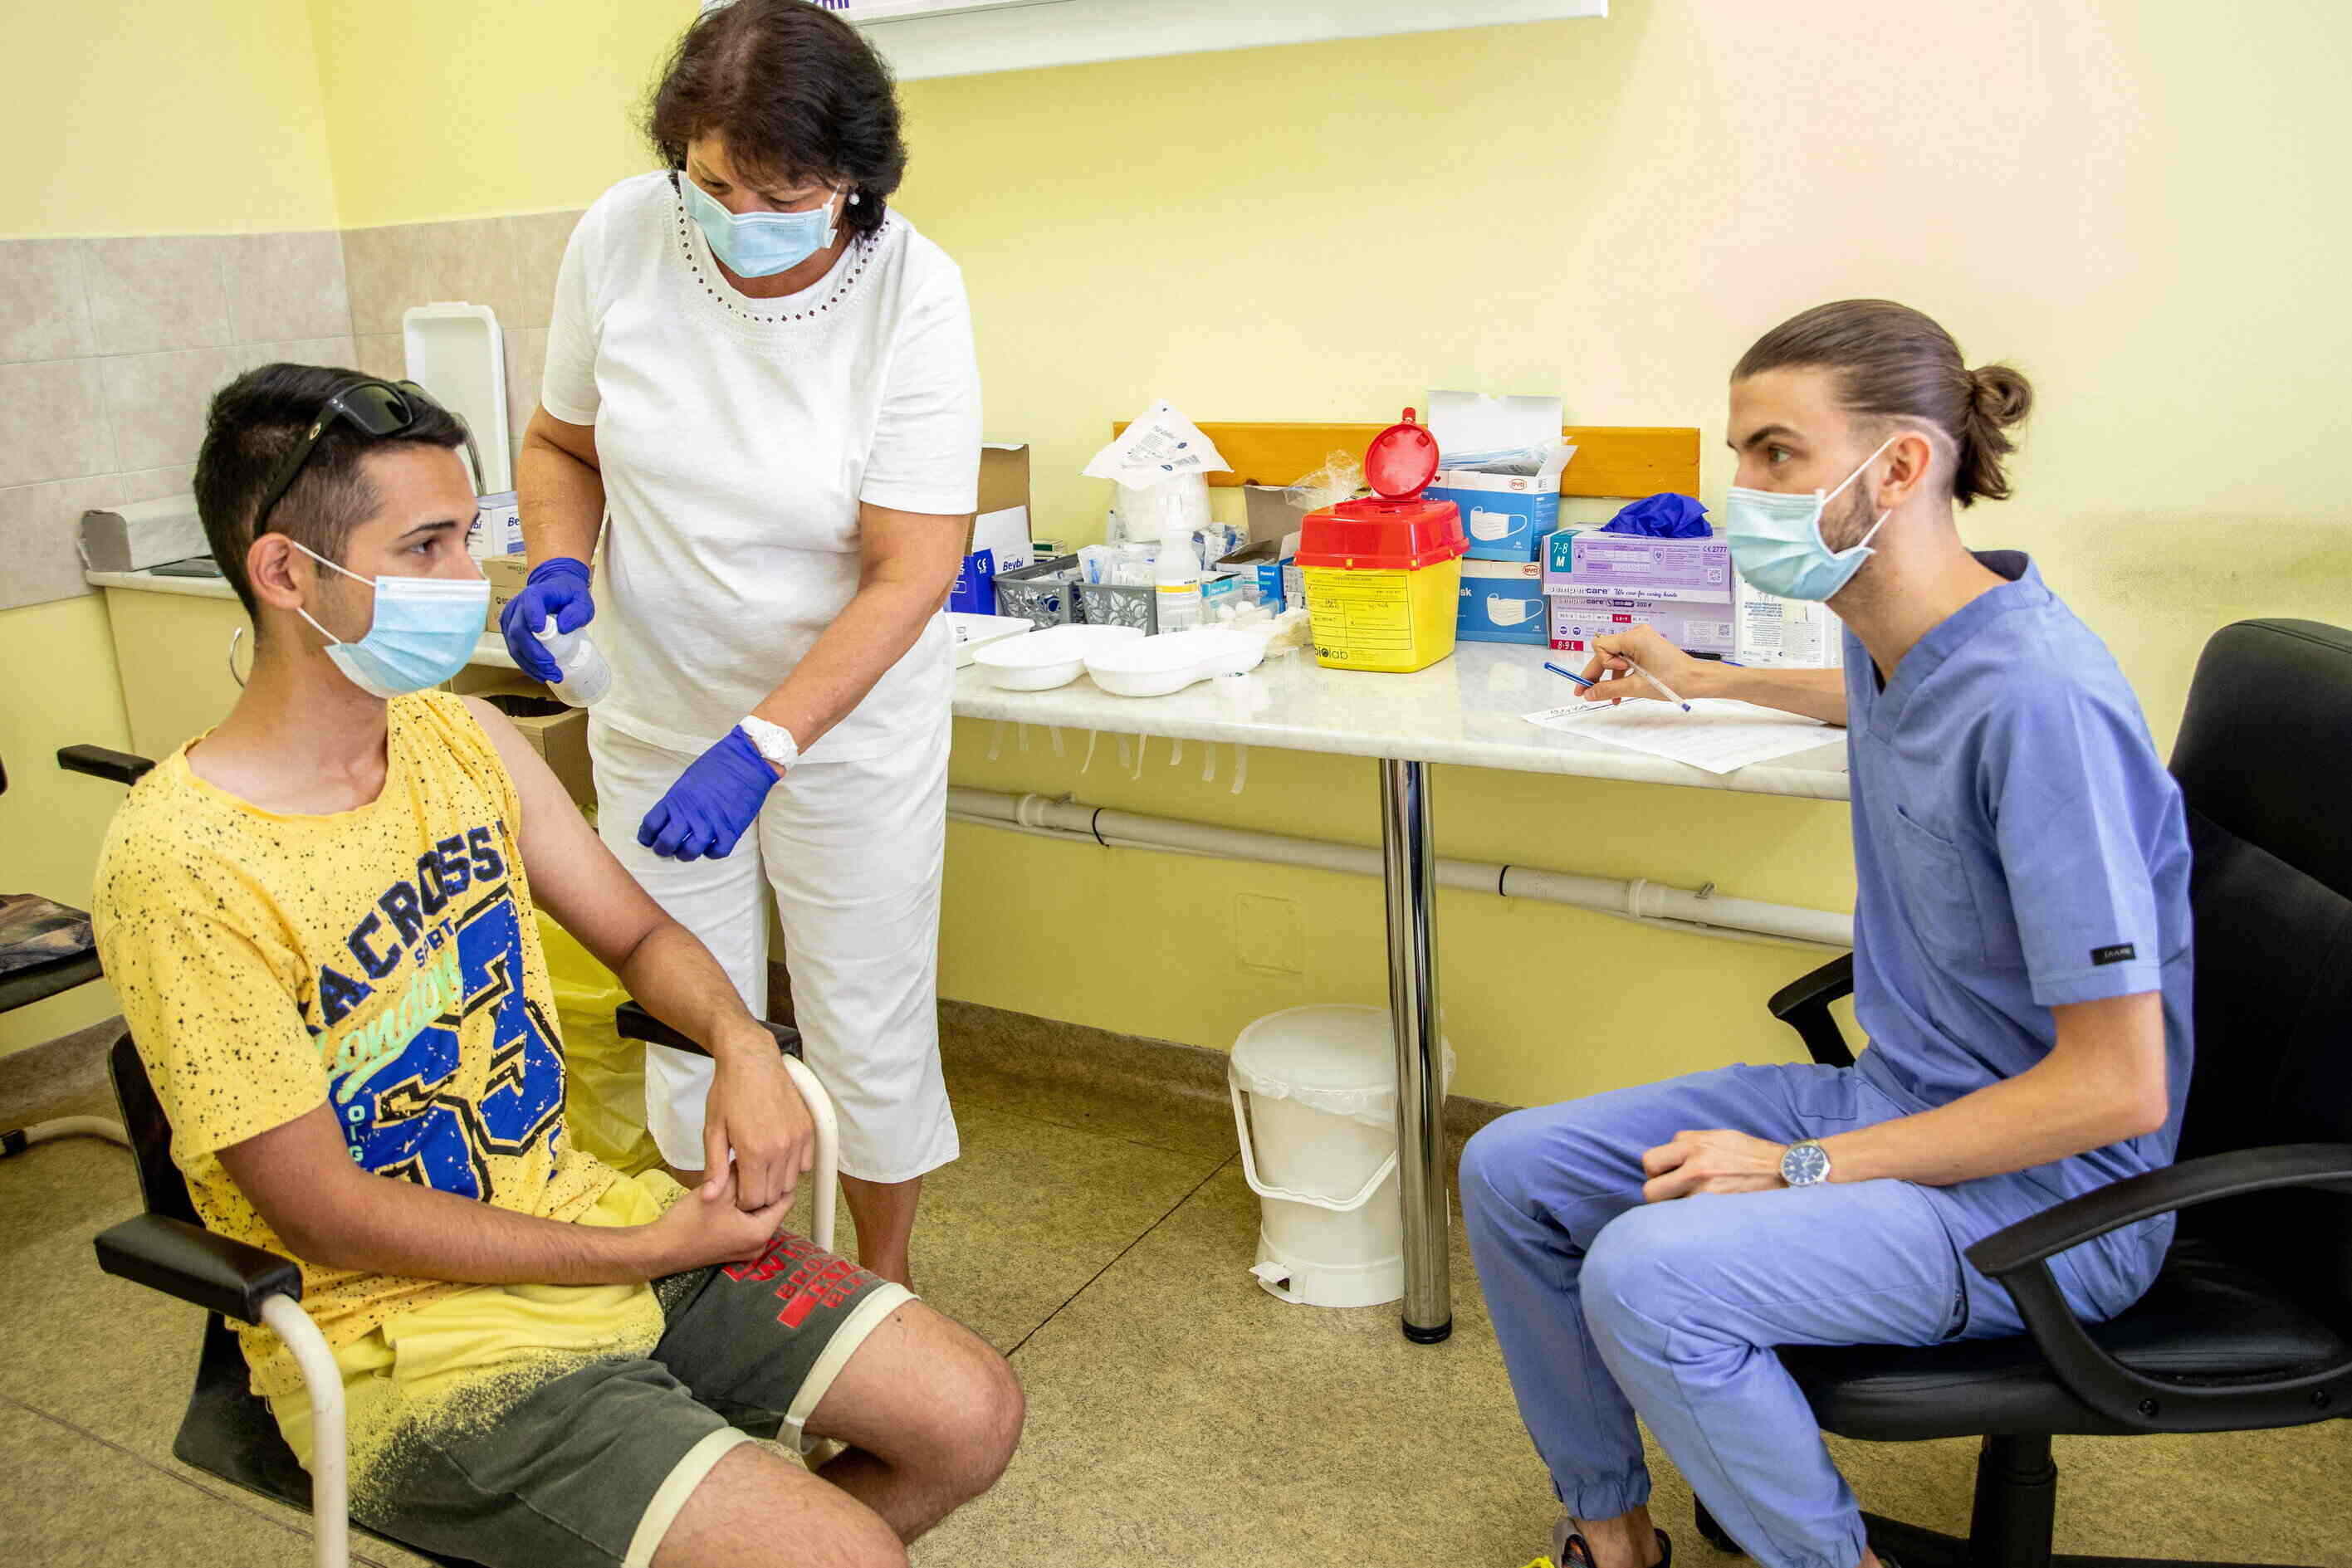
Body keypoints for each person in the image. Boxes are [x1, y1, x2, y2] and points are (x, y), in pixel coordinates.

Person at [93, 364, 1022, 1568]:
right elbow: (320, 1208)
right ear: (284, 572)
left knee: (970, 1416)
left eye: (468, 535)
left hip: (583, 1216)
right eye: (424, 547)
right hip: (400, 1338)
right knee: (840, 1556)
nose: (468, 579)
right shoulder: (184, 864)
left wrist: (743, 1046)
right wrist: (647, 1252)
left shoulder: (461, 738)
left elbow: (640, 936)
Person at [1461, 300, 2192, 1568]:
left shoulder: (2041, 709)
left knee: (1648, 1274)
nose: (1740, 491)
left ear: (1897, 466)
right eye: (1738, 455)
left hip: (2053, 1201)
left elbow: (2117, 1089)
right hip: (1896, 1101)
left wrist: (1794, 1167)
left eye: (1775, 454)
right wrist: (1705, 676)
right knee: (1509, 1169)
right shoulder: (1903, 634)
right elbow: (1875, 698)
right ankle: (1613, 1539)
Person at [496, 0, 980, 1289]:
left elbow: (912, 567)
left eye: (783, 195)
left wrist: (768, 740)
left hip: (842, 726)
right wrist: (557, 562)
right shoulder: (621, 235)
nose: (741, 218)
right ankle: (714, 1280)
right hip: (659, 711)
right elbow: (559, 444)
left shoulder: (913, 293)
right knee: (681, 1016)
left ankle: (882, 1283)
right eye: (714, 185)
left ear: (853, 183)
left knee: (864, 1013)